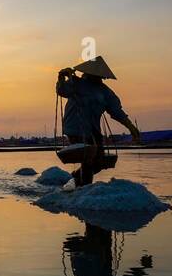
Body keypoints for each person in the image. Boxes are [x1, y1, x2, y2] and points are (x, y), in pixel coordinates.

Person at [55, 56, 140, 186]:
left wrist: (131, 127)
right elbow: (62, 91)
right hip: (76, 127)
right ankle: (85, 188)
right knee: (88, 159)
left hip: (93, 129)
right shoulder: (77, 83)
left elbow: (116, 111)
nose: (99, 79)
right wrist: (62, 77)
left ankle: (75, 179)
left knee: (98, 162)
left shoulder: (104, 91)